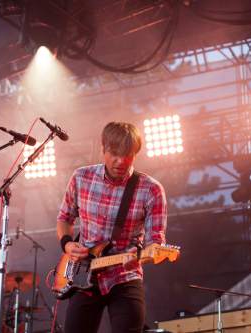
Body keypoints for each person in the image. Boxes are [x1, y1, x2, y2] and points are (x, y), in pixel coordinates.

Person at [56, 121, 167, 333]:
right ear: (103, 148)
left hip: (125, 277)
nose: (120, 161)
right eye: (114, 153)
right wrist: (67, 244)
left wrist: (140, 255)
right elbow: (64, 219)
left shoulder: (151, 190)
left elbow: (156, 244)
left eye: (128, 155)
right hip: (83, 276)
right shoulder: (81, 177)